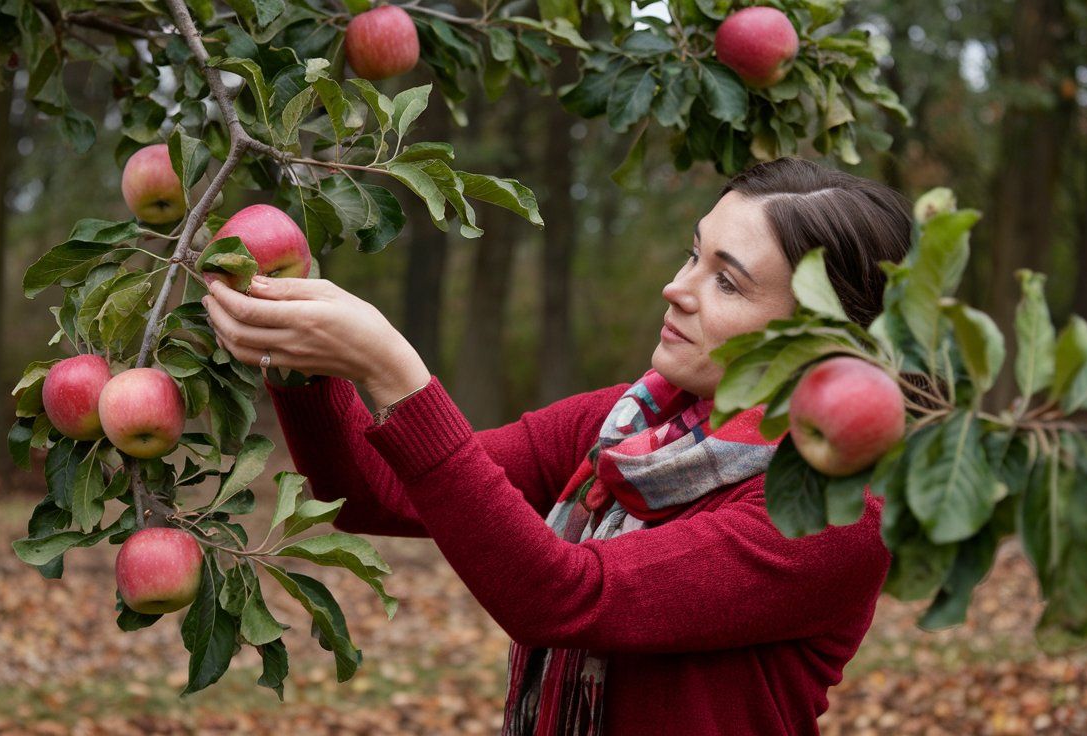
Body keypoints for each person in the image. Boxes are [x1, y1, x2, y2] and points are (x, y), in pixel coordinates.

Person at [202, 157, 913, 735]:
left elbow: (567, 596)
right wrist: (300, 355)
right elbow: (370, 490)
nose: (676, 288)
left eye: (726, 281)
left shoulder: (831, 506)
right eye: (692, 255)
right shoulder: (627, 425)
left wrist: (394, 373)